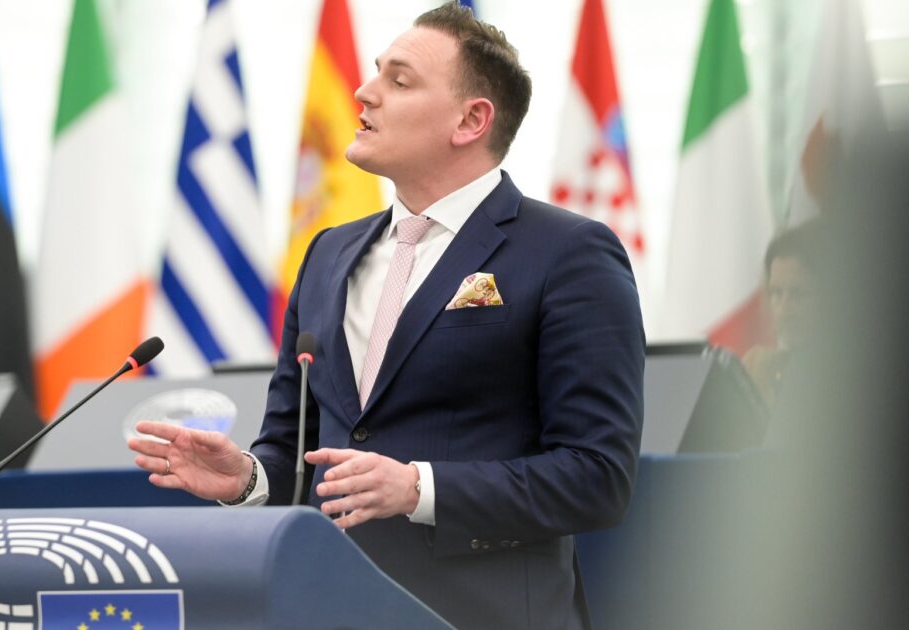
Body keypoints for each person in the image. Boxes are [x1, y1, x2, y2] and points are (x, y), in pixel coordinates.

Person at [128, 3, 644, 627]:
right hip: (331, 608)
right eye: (376, 72)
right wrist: (245, 480)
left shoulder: (567, 253)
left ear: (470, 120)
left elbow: (598, 475)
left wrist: (419, 489)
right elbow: (295, 453)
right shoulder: (327, 254)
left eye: (399, 80)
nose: (364, 91)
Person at [742, 220, 824, 412]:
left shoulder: (843, 373)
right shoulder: (758, 366)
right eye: (777, 294)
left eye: (797, 294)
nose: (784, 308)